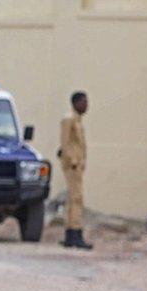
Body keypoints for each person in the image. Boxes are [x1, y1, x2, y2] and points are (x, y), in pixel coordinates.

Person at [59, 91, 92, 249]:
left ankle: (71, 235)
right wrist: (72, 162)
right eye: (84, 102)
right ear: (76, 103)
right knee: (76, 199)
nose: (86, 105)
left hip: (77, 165)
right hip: (73, 166)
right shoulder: (69, 119)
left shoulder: (77, 120)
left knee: (75, 200)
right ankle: (75, 234)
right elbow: (65, 144)